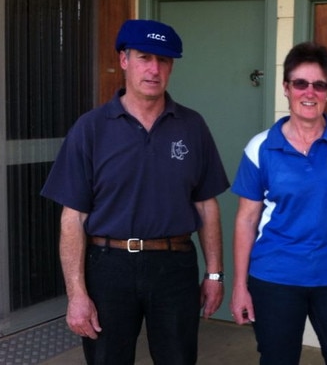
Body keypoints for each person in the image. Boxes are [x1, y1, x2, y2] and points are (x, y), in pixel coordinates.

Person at [40, 19, 230, 364]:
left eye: (164, 61)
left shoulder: (192, 126)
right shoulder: (91, 128)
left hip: (174, 265)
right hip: (107, 267)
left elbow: (206, 206)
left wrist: (215, 274)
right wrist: (77, 293)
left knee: (178, 358)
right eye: (144, 57)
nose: (154, 69)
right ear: (124, 59)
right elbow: (73, 217)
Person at [229, 42, 327, 365]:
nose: (309, 93)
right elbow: (245, 221)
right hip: (275, 277)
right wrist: (239, 285)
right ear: (286, 88)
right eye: (300, 83)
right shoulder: (261, 148)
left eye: (319, 85)